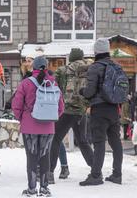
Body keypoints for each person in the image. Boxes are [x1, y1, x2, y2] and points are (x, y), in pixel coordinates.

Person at [12, 56, 64, 197]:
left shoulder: (26, 83)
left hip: (29, 126)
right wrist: (52, 118)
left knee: (32, 157)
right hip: (48, 127)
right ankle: (44, 188)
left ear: (33, 67)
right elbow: (61, 107)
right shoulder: (53, 83)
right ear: (46, 67)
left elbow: (16, 105)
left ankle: (31, 189)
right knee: (45, 156)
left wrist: (22, 118)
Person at [79, 38, 123, 186]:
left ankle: (96, 175)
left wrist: (82, 91)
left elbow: (90, 91)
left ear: (96, 51)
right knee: (115, 142)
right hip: (114, 109)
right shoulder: (117, 66)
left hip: (99, 109)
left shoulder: (95, 67)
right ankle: (117, 174)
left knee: (99, 142)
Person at [49, 48, 94, 183]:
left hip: (66, 111)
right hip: (82, 111)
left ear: (71, 58)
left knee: (56, 139)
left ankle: (50, 173)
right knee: (83, 142)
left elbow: (53, 86)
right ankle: (95, 170)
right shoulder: (89, 70)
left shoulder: (63, 70)